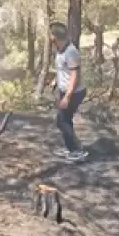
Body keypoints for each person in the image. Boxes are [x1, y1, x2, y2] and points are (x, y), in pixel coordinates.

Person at [49, 22, 88, 162]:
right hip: (64, 90)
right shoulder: (60, 50)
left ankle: (77, 151)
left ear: (55, 36)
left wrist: (67, 97)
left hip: (74, 92)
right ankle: (71, 147)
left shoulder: (71, 51)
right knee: (66, 120)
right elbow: (63, 70)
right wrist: (55, 80)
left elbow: (74, 76)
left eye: (50, 34)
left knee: (61, 120)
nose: (49, 37)